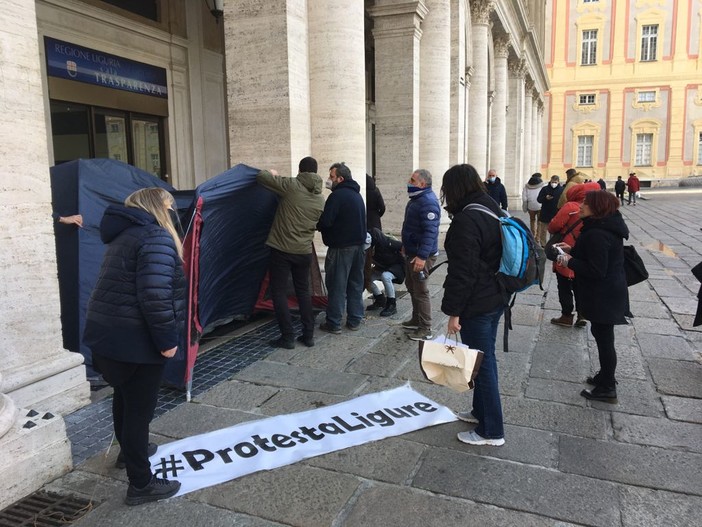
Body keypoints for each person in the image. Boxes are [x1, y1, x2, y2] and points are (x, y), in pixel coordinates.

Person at [83, 187, 185, 505]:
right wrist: (168, 342)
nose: (173, 213)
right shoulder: (154, 237)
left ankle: (128, 454)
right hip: (135, 340)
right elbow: (154, 296)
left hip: (110, 337)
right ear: (158, 208)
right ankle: (141, 484)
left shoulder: (125, 235)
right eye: (170, 207)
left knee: (125, 400)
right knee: (139, 411)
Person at [440, 164, 506, 446]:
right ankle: (481, 412)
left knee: (483, 363)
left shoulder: (468, 219)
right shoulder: (489, 205)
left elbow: (463, 272)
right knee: (481, 360)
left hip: (478, 302)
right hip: (495, 295)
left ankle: (492, 431)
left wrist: (454, 312)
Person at [554, 190, 629, 403]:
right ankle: (605, 377)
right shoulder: (601, 226)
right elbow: (592, 256)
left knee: (605, 340)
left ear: (597, 208)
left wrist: (567, 261)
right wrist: (572, 250)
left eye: (586, 204)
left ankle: (607, 387)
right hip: (607, 292)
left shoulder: (598, 233)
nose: (581, 206)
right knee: (602, 335)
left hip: (604, 295)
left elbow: (596, 269)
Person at [256, 157, 325, 349]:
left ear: (300, 170)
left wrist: (273, 173)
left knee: (278, 292)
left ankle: (287, 337)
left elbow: (261, 177)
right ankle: (308, 335)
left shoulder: (292, 186)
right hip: (303, 252)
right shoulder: (320, 198)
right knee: (303, 292)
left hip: (282, 249)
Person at [316, 162, 367, 333]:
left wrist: (318, 223)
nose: (329, 180)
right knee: (355, 283)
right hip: (358, 247)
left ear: (340, 178)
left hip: (341, 248)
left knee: (337, 285)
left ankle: (334, 322)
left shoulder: (337, 197)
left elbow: (326, 221)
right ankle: (354, 319)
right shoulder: (356, 195)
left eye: (331, 177)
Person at [548, 182, 601, 327]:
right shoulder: (599, 209)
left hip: (566, 249)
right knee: (581, 284)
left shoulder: (571, 206)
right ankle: (582, 314)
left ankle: (566, 316)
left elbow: (553, 226)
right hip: (585, 252)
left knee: (564, 284)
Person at [401, 168, 441, 341]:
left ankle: (426, 328)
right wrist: (405, 245)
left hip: (422, 255)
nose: (409, 182)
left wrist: (422, 257)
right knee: (412, 286)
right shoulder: (416, 199)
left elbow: (430, 232)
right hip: (412, 252)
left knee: (421, 290)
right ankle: (416, 318)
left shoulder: (428, 202)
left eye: (412, 180)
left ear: (422, 184)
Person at [366, 227, 405, 317]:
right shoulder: (370, 247)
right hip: (383, 267)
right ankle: (380, 299)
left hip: (397, 267)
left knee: (385, 276)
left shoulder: (388, 243)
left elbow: (403, 247)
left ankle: (392, 304)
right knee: (366, 278)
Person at [536, 175, 563, 246]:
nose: (553, 183)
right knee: (543, 230)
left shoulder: (561, 189)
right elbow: (539, 199)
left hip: (556, 213)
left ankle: (552, 244)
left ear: (558, 182)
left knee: (554, 230)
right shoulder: (545, 189)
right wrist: (545, 198)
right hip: (545, 212)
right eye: (552, 182)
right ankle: (543, 244)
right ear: (550, 181)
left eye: (555, 182)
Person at [521, 173, 545, 241]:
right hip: (540, 206)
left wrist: (525, 208)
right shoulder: (542, 185)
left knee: (532, 220)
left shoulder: (526, 186)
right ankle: (538, 237)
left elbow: (524, 198)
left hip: (531, 207)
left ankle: (532, 235)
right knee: (539, 222)